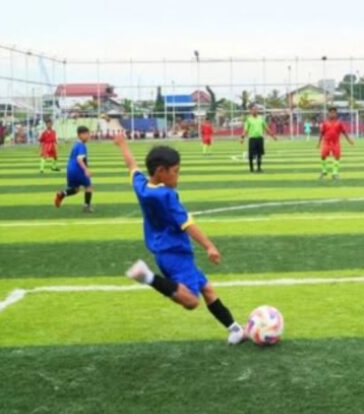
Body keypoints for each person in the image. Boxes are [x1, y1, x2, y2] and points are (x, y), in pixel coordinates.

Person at [113, 134, 245, 345]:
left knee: (207, 289)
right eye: (175, 172)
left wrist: (122, 144)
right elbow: (187, 224)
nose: (178, 177)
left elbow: (132, 165)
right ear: (161, 171)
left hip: (165, 251)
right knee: (191, 301)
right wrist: (209, 246)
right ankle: (147, 277)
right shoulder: (166, 195)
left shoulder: (142, 186)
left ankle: (234, 328)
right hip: (176, 254)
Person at [54, 126, 94, 213]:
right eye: (87, 134)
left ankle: (62, 194)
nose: (88, 136)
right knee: (88, 187)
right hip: (78, 170)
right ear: (81, 135)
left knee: (75, 189)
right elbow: (80, 159)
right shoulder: (81, 146)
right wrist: (86, 170)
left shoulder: (75, 145)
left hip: (70, 170)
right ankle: (87, 206)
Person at [317, 107, 354, 179]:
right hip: (326, 142)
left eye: (334, 112)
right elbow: (321, 133)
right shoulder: (325, 123)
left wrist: (349, 140)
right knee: (323, 156)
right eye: (331, 112)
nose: (332, 114)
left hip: (336, 143)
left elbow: (344, 132)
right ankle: (324, 171)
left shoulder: (339, 123)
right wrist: (319, 143)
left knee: (337, 157)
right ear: (328, 114)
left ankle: (335, 173)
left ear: (336, 114)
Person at [240, 105, 277, 173]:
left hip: (260, 139)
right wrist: (242, 138)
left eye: (256, 110)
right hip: (252, 139)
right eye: (253, 110)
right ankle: (251, 169)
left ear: (258, 111)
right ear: (251, 111)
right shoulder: (248, 119)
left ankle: (259, 168)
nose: (255, 111)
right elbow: (245, 130)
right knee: (251, 154)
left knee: (259, 154)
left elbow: (266, 128)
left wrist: (273, 136)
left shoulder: (261, 119)